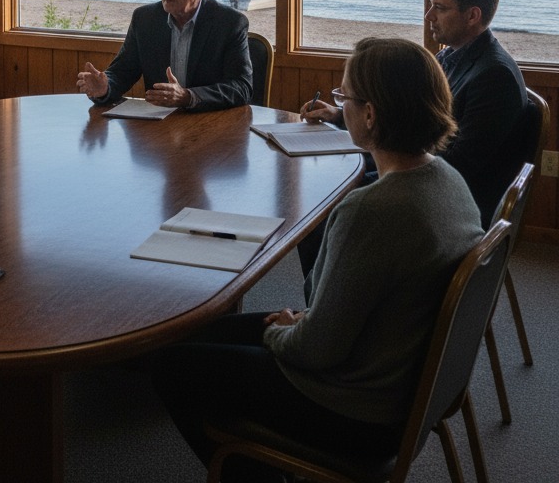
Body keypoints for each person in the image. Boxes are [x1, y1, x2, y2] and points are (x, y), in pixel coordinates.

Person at [153, 37, 483, 482]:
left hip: (354, 411)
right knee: (198, 330)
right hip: (400, 382)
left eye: (345, 96)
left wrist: (276, 332)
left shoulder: (372, 210)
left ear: (370, 115)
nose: (339, 104)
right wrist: (291, 324)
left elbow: (317, 350)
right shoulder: (448, 180)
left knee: (171, 364)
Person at [303, 0, 530, 226]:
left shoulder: (494, 76)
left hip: (447, 202)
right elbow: (410, 117)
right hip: (427, 174)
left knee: (323, 198)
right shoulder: (451, 55)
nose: (428, 15)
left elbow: (461, 165)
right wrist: (341, 115)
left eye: (440, 8)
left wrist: (383, 163)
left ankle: (325, 268)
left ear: (472, 16)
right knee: (328, 181)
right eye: (430, 5)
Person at [76, 0, 252, 111]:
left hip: (212, 124)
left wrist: (188, 96)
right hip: (158, 127)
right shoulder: (145, 19)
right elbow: (123, 72)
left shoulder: (230, 23)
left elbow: (241, 87)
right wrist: (105, 88)